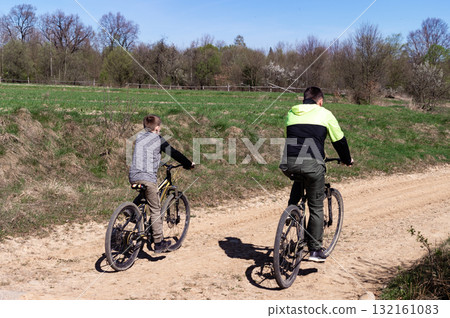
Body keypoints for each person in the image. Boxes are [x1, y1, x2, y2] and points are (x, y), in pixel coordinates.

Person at [279, 86, 353, 262]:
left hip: (288, 162)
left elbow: (288, 137)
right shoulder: (324, 113)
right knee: (316, 206)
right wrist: (347, 159)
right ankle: (315, 250)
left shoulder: (291, 113)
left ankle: (292, 209)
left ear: (304, 99)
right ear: (320, 101)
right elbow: (339, 140)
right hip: (313, 164)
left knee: (300, 175)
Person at [129, 114, 195, 253]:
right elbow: (174, 153)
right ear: (157, 128)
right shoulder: (158, 139)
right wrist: (188, 164)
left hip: (133, 176)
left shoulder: (139, 138)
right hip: (147, 178)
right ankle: (158, 242)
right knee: (155, 208)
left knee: (145, 193)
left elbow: (146, 155)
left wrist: (159, 162)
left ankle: (131, 210)